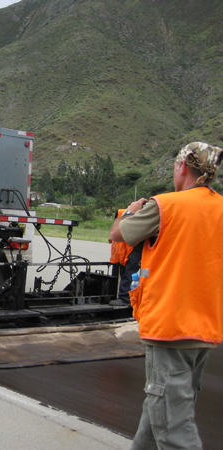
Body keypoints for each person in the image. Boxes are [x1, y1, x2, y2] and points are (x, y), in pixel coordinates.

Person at [110, 142, 223, 450]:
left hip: (171, 327)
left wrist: (131, 211)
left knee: (173, 425)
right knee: (159, 408)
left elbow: (118, 234)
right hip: (206, 329)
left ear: (181, 168)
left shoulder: (166, 206)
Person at [108, 208, 142, 306]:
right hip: (125, 250)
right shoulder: (122, 213)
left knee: (129, 274)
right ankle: (126, 296)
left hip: (134, 249)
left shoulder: (131, 214)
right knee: (125, 273)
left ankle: (125, 298)